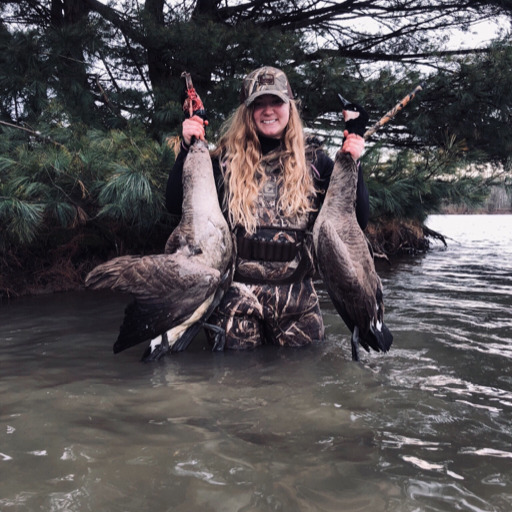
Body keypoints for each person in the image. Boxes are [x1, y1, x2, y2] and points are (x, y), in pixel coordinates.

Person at [166, 66, 369, 350]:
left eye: (276, 102)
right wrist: (188, 148)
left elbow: (359, 219)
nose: (268, 110)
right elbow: (175, 205)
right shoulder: (223, 161)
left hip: (297, 299)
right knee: (235, 381)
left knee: (303, 380)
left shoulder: (317, 162)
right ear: (246, 111)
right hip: (235, 298)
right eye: (258, 104)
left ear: (290, 106)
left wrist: (353, 163)